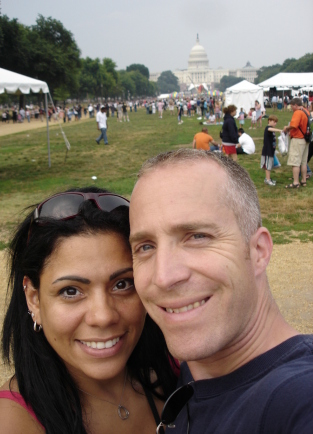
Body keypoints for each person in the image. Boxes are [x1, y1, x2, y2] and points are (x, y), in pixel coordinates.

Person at [129, 149, 313, 434]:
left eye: (197, 236)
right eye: (146, 246)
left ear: (258, 251)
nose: (163, 276)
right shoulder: (188, 372)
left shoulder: (298, 401)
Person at [0, 187, 177, 434]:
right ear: (33, 299)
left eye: (122, 284)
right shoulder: (8, 424)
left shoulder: (179, 372)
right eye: (71, 291)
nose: (103, 316)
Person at [283, 97, 310, 188]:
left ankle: (295, 182)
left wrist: (287, 128)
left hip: (298, 139)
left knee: (295, 162)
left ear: (295, 105)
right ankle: (303, 180)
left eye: (291, 106)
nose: (291, 108)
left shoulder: (297, 112)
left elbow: (294, 125)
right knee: (303, 162)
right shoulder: (306, 111)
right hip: (306, 139)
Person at [260, 115, 282, 186]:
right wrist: (279, 130)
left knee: (269, 166)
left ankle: (268, 178)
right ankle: (267, 179)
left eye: (276, 122)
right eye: (274, 122)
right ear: (269, 121)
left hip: (271, 151)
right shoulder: (268, 128)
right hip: (267, 151)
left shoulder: (272, 130)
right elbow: (269, 129)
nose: (275, 123)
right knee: (267, 166)